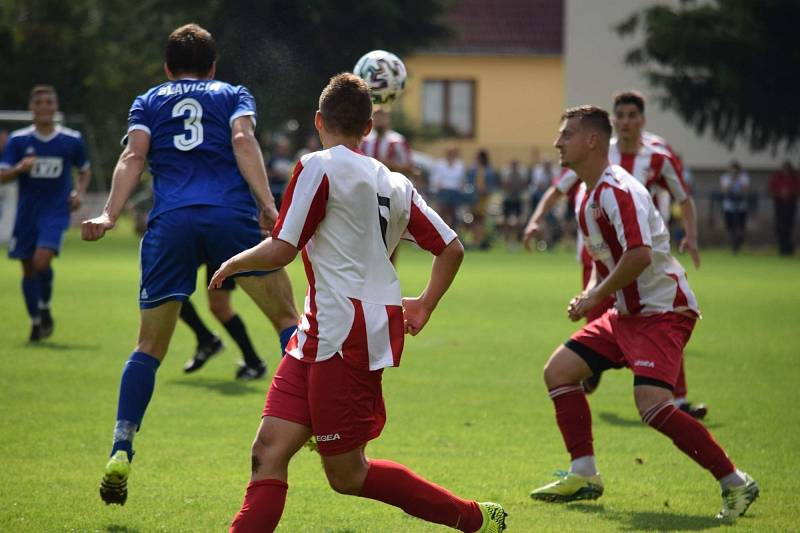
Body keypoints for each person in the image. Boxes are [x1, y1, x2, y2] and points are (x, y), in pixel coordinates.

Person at [211, 73, 506, 533]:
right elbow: (452, 247)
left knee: (347, 475)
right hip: (323, 327)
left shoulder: (316, 166)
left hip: (345, 331)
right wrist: (425, 303)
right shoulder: (395, 182)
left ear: (318, 121)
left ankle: (472, 518)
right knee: (267, 451)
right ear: (369, 128)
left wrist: (232, 263)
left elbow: (283, 248)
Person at [81, 23, 299, 506]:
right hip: (230, 219)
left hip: (171, 223)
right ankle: (315, 419)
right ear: (213, 65)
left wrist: (109, 213)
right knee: (287, 320)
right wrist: (267, 204)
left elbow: (133, 154)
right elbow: (243, 140)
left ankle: (121, 447)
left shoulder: (149, 100)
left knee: (148, 347)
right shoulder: (232, 93)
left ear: (166, 67)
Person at [529, 105, 758, 521]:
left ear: (592, 140)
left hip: (662, 310)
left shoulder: (618, 190)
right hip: (625, 314)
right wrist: (589, 293)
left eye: (566, 135)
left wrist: (596, 295)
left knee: (652, 406)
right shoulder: (586, 195)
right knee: (559, 372)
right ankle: (585, 473)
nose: (558, 142)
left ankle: (736, 483)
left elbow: (639, 255)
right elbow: (605, 261)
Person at [523, 90, 706, 418]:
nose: (625, 122)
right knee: (599, 320)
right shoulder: (589, 157)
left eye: (631, 116)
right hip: (599, 257)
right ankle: (591, 368)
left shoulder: (654, 158)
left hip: (640, 253)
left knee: (658, 317)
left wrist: (691, 235)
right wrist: (535, 220)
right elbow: (558, 189)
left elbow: (682, 197)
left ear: (642, 120)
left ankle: (674, 399)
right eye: (619, 116)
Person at [0, 85, 91, 341]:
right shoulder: (19, 140)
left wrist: (78, 193)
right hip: (27, 212)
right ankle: (37, 320)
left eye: (49, 102)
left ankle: (44, 306)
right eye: (39, 102)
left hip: (55, 211)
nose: (44, 107)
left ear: (56, 107)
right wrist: (19, 168)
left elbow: (84, 170)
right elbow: (2, 175)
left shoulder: (71, 139)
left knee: (41, 261)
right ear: (31, 108)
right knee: (28, 269)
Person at [465, 149, 497, 249]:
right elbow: (469, 183)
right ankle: (476, 240)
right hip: (474, 197)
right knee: (474, 220)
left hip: (483, 198)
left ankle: (479, 241)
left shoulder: (488, 171)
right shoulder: (474, 170)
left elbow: (491, 186)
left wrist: (485, 191)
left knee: (480, 220)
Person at [429, 146, 466, 230]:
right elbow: (435, 179)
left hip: (455, 192)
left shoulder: (460, 165)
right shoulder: (440, 164)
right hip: (443, 191)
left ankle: (452, 230)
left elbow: (461, 179)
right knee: (443, 212)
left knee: (453, 214)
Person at [768, 161, 799, 255]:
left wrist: (789, 193)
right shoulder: (777, 177)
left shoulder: (794, 178)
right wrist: (779, 193)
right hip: (779, 204)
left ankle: (788, 247)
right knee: (779, 227)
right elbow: (771, 189)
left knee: (788, 227)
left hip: (790, 204)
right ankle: (783, 247)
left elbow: (797, 189)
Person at [719, 161, 751, 253]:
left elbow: (745, 190)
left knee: (740, 226)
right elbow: (724, 189)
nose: (733, 171)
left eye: (735, 169)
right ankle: (733, 243)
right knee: (730, 226)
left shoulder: (744, 177)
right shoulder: (725, 177)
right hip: (729, 206)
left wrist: (738, 182)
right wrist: (732, 180)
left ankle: (738, 241)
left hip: (741, 206)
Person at [500, 159, 528, 247]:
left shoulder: (521, 174)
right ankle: (506, 241)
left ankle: (518, 240)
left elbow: (523, 186)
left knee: (519, 221)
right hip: (508, 200)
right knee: (506, 221)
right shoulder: (506, 173)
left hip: (517, 200)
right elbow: (504, 186)